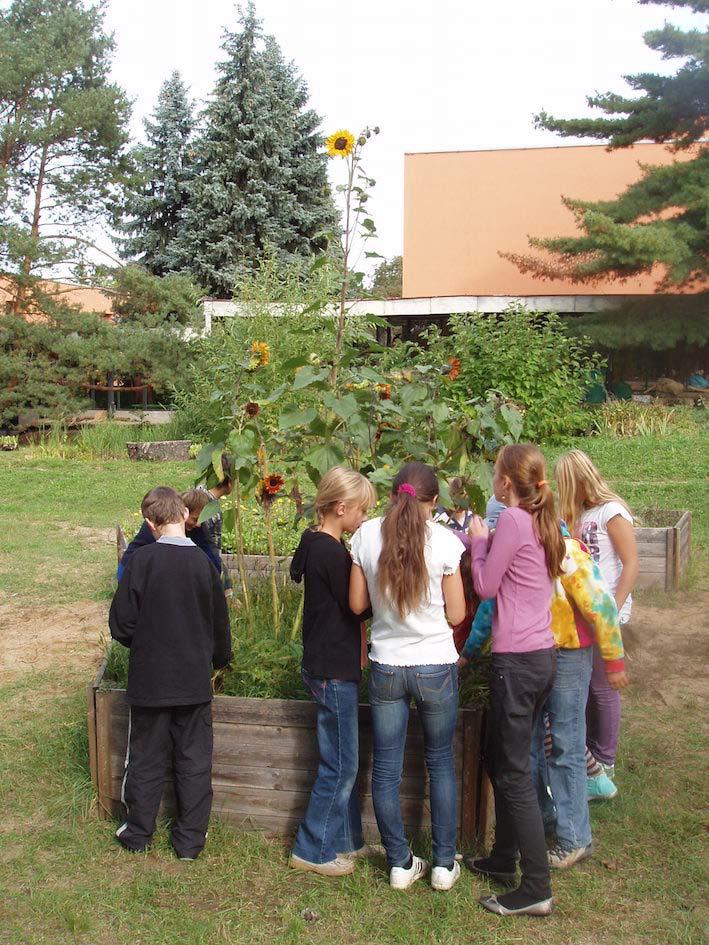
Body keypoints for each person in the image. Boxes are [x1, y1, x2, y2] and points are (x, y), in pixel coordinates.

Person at [349, 462, 466, 892]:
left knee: (386, 769)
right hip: (435, 663)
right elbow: (456, 614)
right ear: (432, 502)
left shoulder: (365, 535)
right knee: (441, 764)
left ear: (393, 494)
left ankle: (400, 863)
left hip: (386, 666)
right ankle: (442, 864)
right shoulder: (446, 542)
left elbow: (356, 603)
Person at [464, 443, 563, 917]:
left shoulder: (514, 521)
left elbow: (485, 585)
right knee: (505, 757)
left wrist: (478, 540)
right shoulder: (541, 521)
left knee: (514, 772)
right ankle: (504, 857)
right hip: (541, 657)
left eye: (494, 471)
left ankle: (536, 888)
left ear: (506, 482)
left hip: (517, 662)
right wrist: (481, 543)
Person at [109, 486, 232, 859]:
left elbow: (121, 624)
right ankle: (190, 842)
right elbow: (220, 630)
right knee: (194, 760)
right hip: (193, 682)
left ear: (151, 523)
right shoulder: (205, 566)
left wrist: (146, 646)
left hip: (150, 681)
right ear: (185, 515)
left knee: (145, 757)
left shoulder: (141, 562)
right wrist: (216, 659)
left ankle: (138, 835)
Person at [289, 467, 377, 878]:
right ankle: (311, 848)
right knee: (340, 764)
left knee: (344, 757)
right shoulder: (332, 553)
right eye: (361, 511)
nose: (363, 518)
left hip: (324, 663)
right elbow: (356, 605)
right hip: (333, 668)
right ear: (341, 508)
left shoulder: (313, 542)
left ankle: (346, 840)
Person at [555, 449, 639, 800]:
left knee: (604, 688)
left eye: (564, 483)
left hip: (606, 612)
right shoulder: (574, 514)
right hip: (581, 613)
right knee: (586, 686)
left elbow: (631, 565)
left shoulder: (611, 511)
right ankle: (590, 753)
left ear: (575, 478)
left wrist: (612, 611)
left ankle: (605, 758)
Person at [116, 488, 222, 581]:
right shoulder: (157, 526)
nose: (198, 524)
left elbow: (212, 558)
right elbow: (131, 560)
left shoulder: (199, 529)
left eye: (202, 520)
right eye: (195, 519)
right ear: (184, 513)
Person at [198, 453, 235, 595]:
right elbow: (211, 553)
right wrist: (227, 591)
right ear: (230, 482)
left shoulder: (196, 493)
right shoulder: (211, 511)